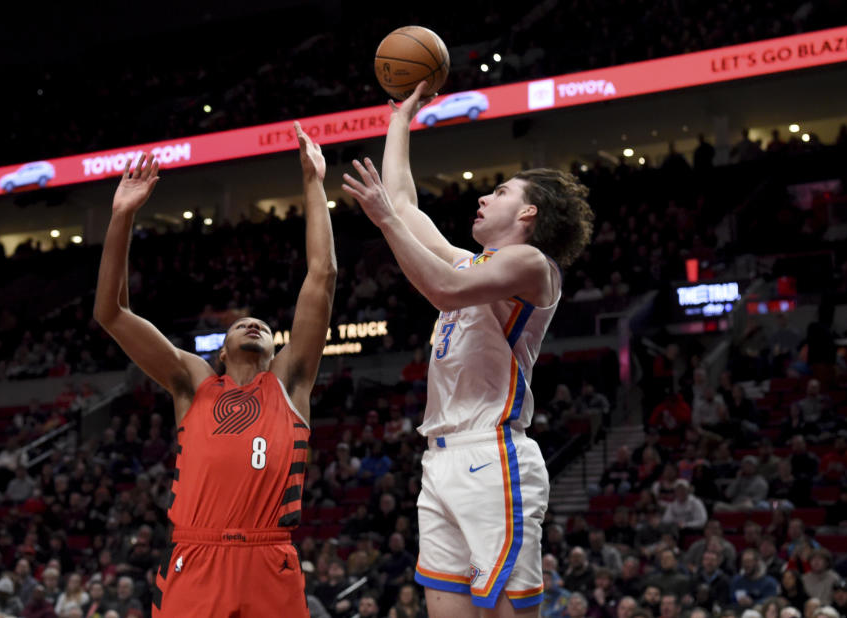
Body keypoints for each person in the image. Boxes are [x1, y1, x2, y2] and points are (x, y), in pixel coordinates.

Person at [341, 81, 594, 617]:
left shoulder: (532, 265)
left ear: (528, 215)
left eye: (500, 192)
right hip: (440, 460)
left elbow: (441, 287)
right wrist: (400, 119)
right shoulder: (472, 264)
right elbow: (405, 203)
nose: (483, 196)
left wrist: (384, 219)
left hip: (492, 453)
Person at [93, 123, 336, 618]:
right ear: (220, 353)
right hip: (196, 557)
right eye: (241, 323)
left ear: (276, 347)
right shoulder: (195, 382)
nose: (252, 323)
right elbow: (111, 313)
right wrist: (121, 216)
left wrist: (314, 183)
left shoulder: (291, 382)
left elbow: (322, 275)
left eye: (262, 324)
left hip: (271, 559)